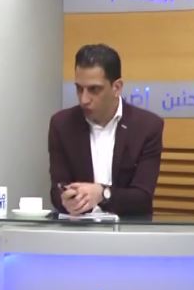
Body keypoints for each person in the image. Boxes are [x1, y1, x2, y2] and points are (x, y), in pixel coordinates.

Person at [47, 43, 164, 217]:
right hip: (78, 228)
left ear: (117, 87)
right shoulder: (62, 124)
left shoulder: (147, 126)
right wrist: (66, 200)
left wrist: (102, 194)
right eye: (79, 89)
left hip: (128, 229)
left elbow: (142, 198)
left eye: (94, 89)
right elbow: (57, 190)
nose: (84, 99)